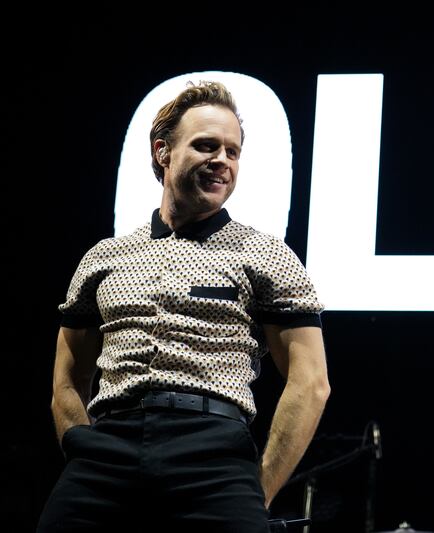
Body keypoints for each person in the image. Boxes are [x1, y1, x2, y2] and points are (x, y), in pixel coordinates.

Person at [37, 81, 330, 532]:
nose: (222, 162)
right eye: (206, 146)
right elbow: (66, 380)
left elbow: (310, 383)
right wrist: (83, 449)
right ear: (163, 152)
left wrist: (260, 488)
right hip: (105, 454)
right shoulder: (103, 257)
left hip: (213, 456)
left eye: (233, 152)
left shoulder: (266, 254)